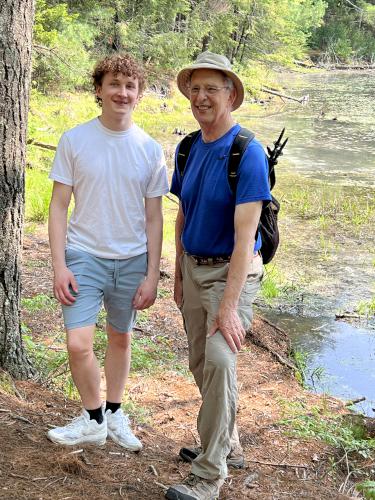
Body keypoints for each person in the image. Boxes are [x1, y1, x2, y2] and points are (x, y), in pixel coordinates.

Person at [47, 54, 168, 450]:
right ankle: (93, 417)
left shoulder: (150, 149)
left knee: (121, 338)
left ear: (139, 94)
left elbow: (154, 217)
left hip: (132, 260)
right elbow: (59, 206)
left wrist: (152, 274)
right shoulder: (74, 140)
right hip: (83, 256)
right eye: (114, 84)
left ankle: (115, 413)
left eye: (130, 86)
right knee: (78, 343)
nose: (122, 92)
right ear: (99, 90)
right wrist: (59, 264)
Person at [166, 52, 272, 500]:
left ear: (231, 94)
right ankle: (228, 443)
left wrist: (228, 307)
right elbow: (182, 214)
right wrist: (177, 273)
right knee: (200, 362)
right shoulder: (188, 147)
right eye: (196, 88)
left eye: (212, 88)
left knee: (220, 360)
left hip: (234, 272)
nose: (202, 96)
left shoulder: (247, 153)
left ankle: (209, 475)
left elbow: (245, 239)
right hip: (193, 267)